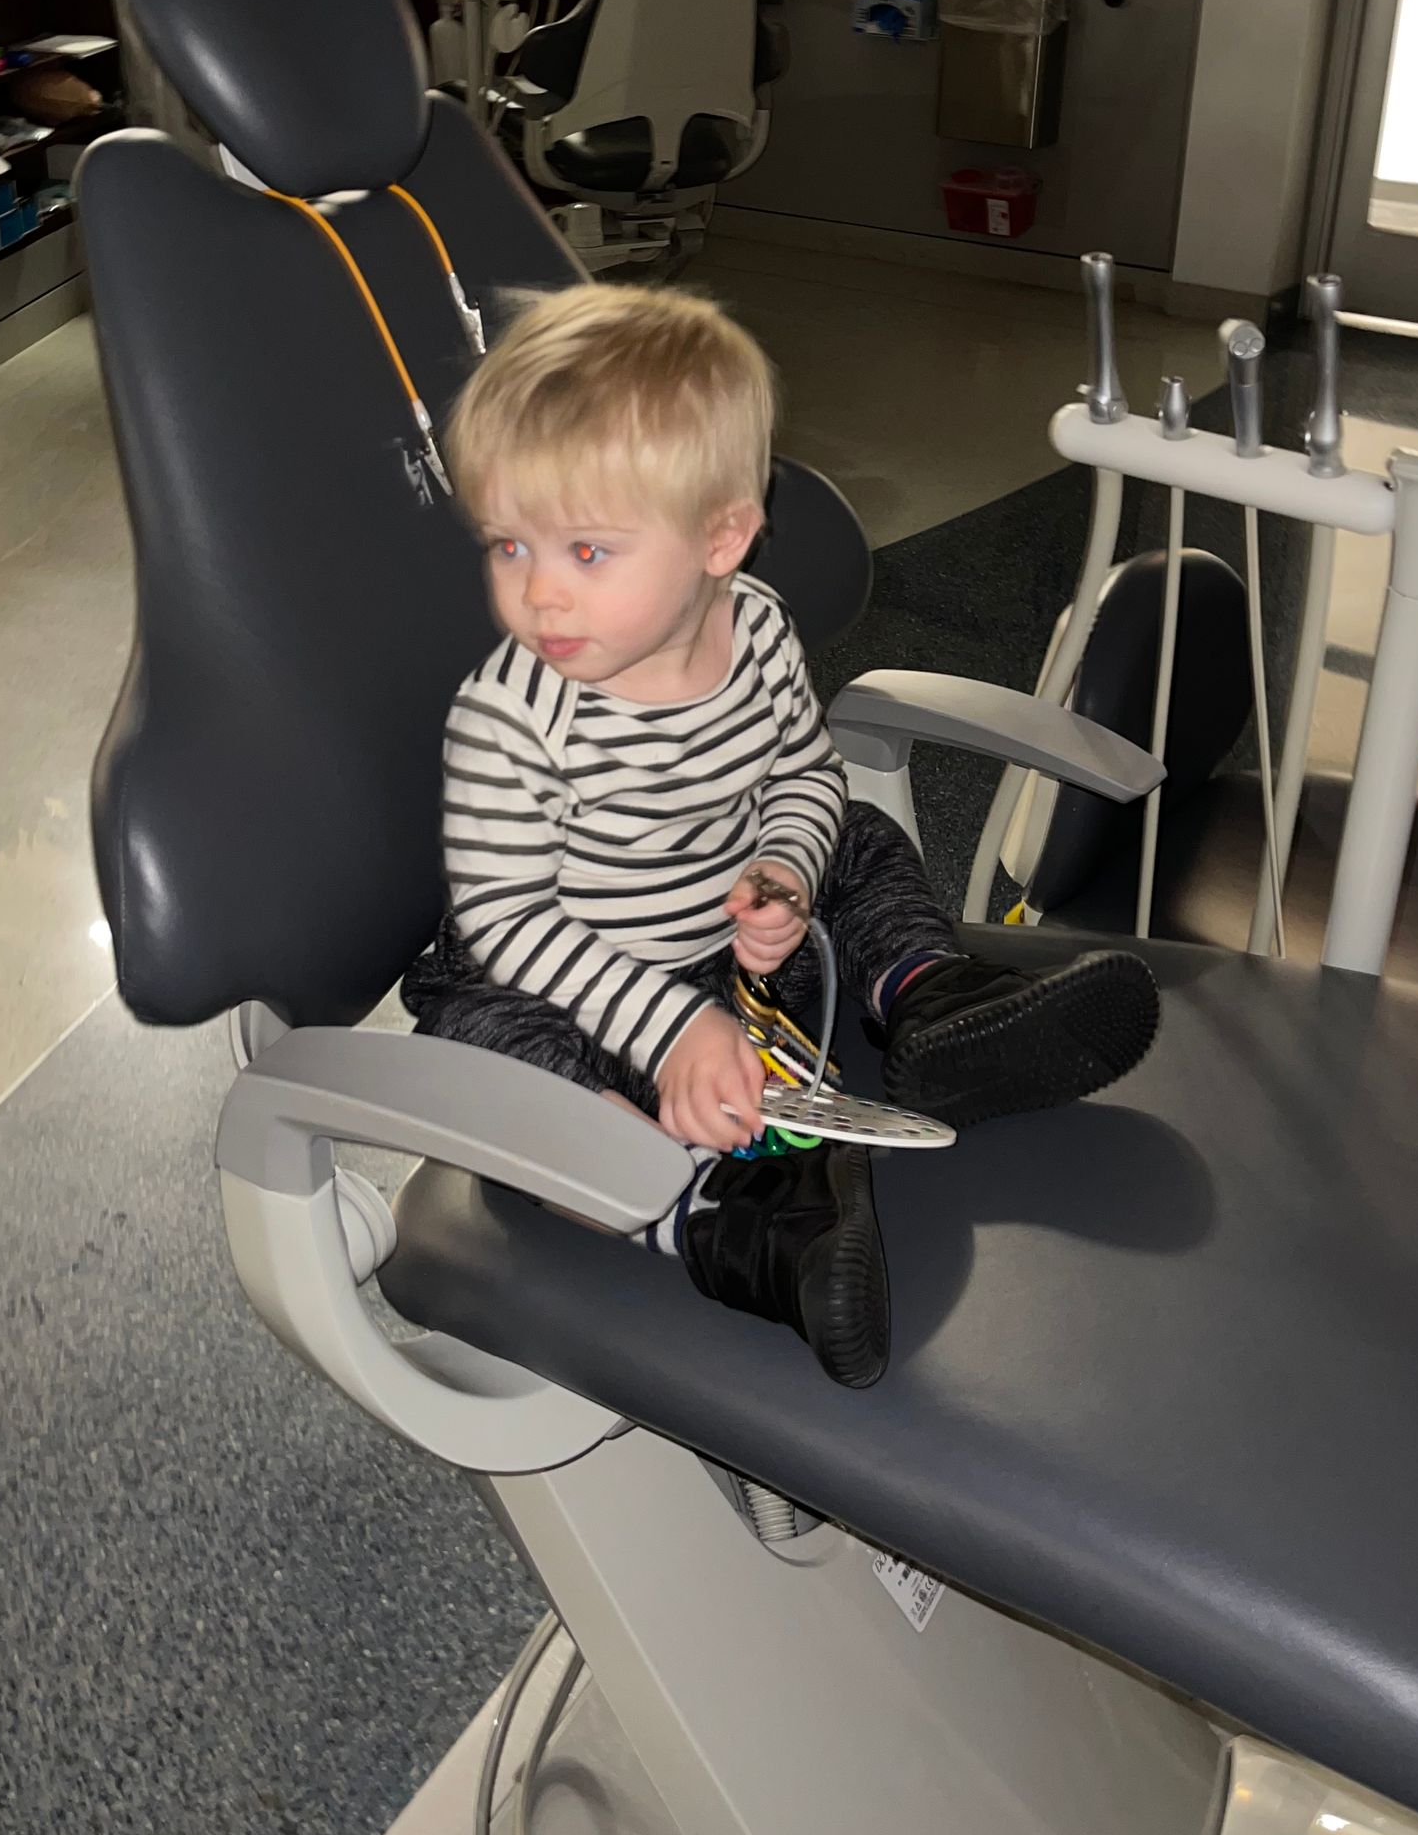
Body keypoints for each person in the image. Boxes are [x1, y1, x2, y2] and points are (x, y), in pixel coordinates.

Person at [404, 283, 1159, 1388]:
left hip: (733, 954)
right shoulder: (508, 717)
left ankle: (930, 1003)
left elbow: (801, 774)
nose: (539, 595)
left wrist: (785, 871)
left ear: (722, 538)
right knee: (487, 1066)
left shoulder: (754, 629)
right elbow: (505, 922)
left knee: (854, 835)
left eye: (587, 551)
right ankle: (722, 1214)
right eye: (508, 545)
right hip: (561, 983)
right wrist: (668, 1029)